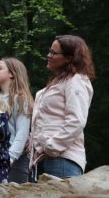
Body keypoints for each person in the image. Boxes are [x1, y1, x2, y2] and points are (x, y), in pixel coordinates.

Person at [29, 35, 95, 180]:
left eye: (53, 53)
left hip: (62, 159)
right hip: (46, 159)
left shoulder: (75, 81)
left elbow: (76, 121)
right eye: (49, 51)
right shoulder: (59, 82)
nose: (48, 55)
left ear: (69, 58)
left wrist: (51, 146)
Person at [0, 58, 34, 183]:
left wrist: (8, 159)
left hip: (14, 163)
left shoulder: (20, 98)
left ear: (12, 74)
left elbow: (22, 134)